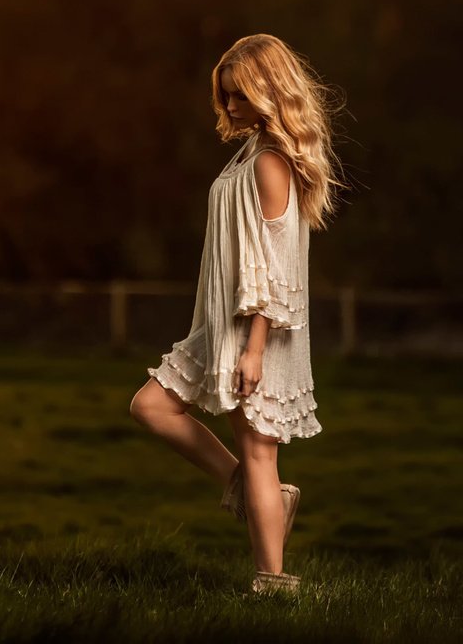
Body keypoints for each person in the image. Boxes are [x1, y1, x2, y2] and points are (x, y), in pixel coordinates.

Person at [128, 33, 345, 597]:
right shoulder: (250, 150)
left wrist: (254, 349)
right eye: (225, 96)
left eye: (240, 96)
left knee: (258, 454)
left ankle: (274, 583)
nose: (229, 107)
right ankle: (251, 491)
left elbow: (276, 269)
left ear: (269, 92)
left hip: (255, 332)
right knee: (151, 407)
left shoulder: (272, 162)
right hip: (219, 325)